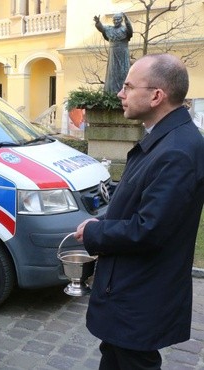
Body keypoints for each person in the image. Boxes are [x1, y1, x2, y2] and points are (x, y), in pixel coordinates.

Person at [74, 53, 204, 370]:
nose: (120, 94)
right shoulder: (165, 139)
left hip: (139, 299)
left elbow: (150, 230)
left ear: (156, 95)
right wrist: (101, 221)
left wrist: (94, 232)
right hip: (129, 293)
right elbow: (137, 201)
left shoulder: (176, 151)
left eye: (129, 86)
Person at [94, 12, 133, 94]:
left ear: (121, 20)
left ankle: (123, 92)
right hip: (113, 54)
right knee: (112, 73)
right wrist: (98, 22)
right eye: (114, 20)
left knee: (123, 72)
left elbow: (130, 30)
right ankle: (111, 92)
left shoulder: (125, 30)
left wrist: (127, 20)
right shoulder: (109, 29)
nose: (115, 21)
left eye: (118, 19)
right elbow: (102, 28)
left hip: (122, 53)